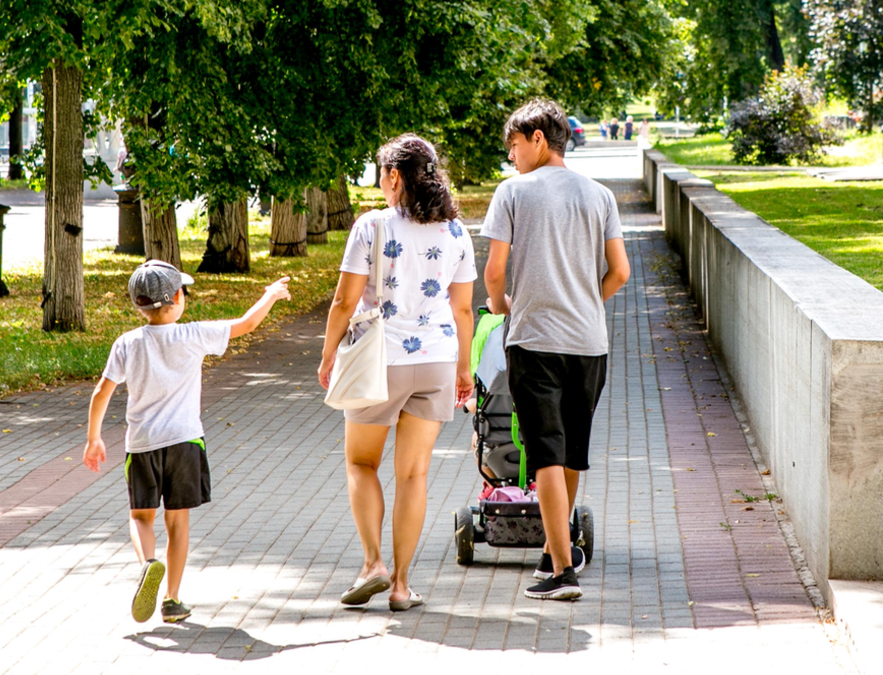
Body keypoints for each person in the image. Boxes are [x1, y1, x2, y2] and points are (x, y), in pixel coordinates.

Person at [319, 133, 476, 611]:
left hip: (378, 361)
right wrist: (464, 370)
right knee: (414, 474)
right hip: (436, 361)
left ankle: (373, 565)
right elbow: (464, 309)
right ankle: (403, 586)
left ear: (393, 177)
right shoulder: (456, 232)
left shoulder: (372, 225)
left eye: (382, 175)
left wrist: (328, 356)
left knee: (361, 464)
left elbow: (346, 300)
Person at [84, 261, 291, 623]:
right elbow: (246, 324)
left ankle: (148, 563)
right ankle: (172, 600)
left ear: (138, 304)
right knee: (177, 523)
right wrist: (270, 295)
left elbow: (103, 392)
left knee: (140, 516)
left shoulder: (127, 344)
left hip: (142, 445)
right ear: (178, 297)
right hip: (185, 442)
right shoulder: (193, 335)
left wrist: (94, 438)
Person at [481, 99, 630, 601]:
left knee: (544, 449)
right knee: (570, 454)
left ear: (538, 139)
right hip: (590, 343)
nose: (512, 157)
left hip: (535, 340)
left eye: (515, 146)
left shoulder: (513, 193)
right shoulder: (600, 195)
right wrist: (588, 299)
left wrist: (502, 306)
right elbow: (621, 272)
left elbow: (494, 272)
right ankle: (554, 547)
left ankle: (561, 571)